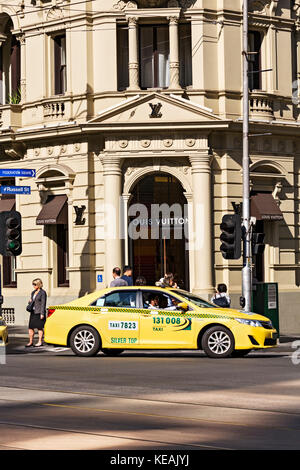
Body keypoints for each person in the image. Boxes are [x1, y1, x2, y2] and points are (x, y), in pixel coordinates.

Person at [26, 278, 47, 348]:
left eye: (35, 284)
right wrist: (30, 301)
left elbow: (43, 303)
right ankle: (30, 342)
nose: (33, 286)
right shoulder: (33, 292)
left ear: (39, 284)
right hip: (33, 312)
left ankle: (40, 341)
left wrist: (42, 313)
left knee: (39, 328)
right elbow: (33, 301)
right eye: (33, 284)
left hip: (39, 312)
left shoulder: (43, 293)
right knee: (30, 327)